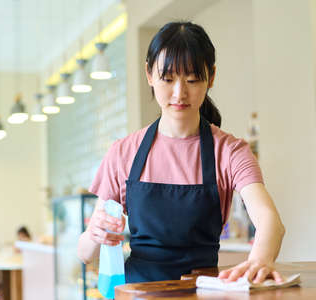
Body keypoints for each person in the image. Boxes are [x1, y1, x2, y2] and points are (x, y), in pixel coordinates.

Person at [78, 21, 285, 284]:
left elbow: (270, 222)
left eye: (192, 79)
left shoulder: (231, 151)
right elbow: (85, 254)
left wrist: (259, 260)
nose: (179, 93)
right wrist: (95, 234)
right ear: (149, 74)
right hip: (138, 293)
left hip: (201, 292)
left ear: (211, 76)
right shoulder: (123, 153)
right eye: (167, 78)